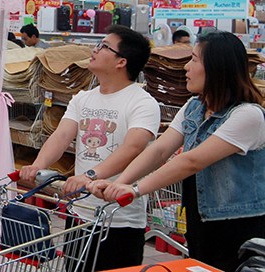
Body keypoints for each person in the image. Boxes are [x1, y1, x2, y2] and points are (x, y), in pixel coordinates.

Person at [88, 30, 265, 271]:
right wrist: (120, 182)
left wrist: (135, 189)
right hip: (199, 219)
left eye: (193, 59)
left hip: (240, 226)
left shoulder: (247, 115)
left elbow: (191, 161)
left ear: (216, 67)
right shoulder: (194, 106)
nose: (186, 68)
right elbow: (160, 149)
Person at [19, 25, 160, 271]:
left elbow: (133, 147)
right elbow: (61, 136)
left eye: (104, 46)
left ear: (121, 62)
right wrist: (38, 165)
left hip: (119, 218)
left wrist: (90, 175)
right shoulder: (83, 97)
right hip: (80, 212)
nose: (94, 50)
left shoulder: (142, 102)